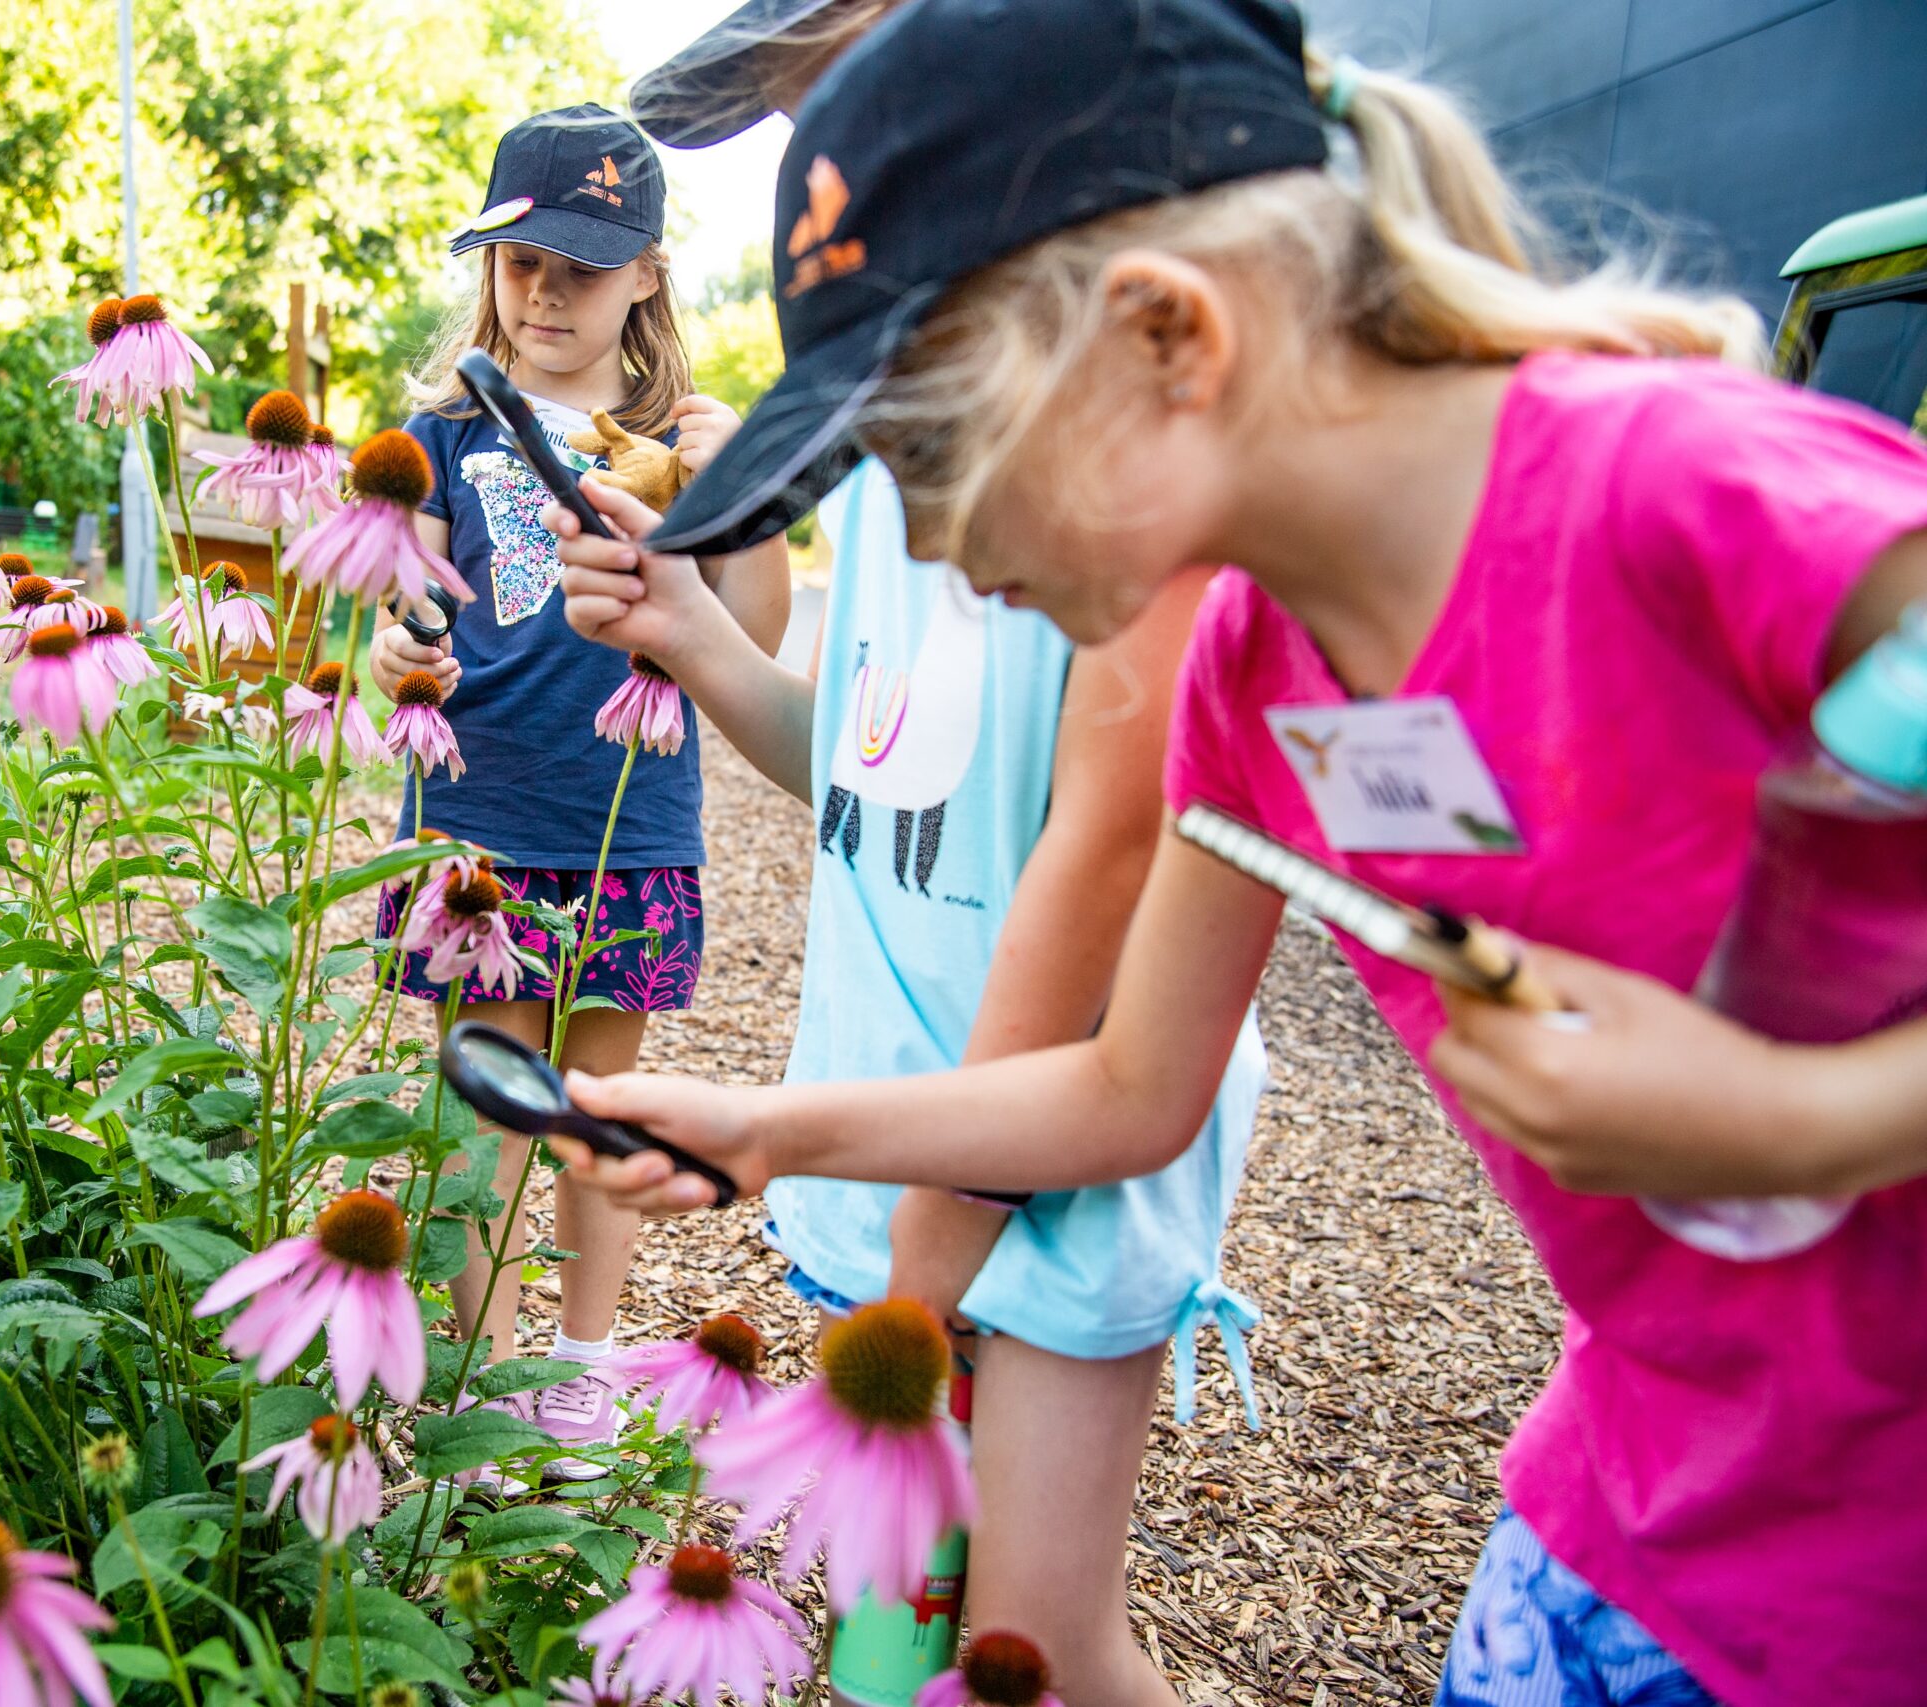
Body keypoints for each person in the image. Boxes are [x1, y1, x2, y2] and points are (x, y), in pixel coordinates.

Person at [543, 2, 1927, 1702]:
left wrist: (1793, 1117)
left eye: (932, 458)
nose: (932, 546)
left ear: (1166, 340)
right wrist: (768, 1131)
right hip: (1632, 1509)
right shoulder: (1253, 669)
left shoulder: (1691, 494)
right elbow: (1132, 1086)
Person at [547, 13, 1265, 1704]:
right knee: (892, 1619)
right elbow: (879, 786)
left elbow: (1099, 862)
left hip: (1045, 1156)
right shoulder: (887, 463)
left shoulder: (1104, 468)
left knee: (1033, 1633)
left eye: (842, 110)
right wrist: (702, 637)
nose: (823, 178)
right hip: (887, 1134)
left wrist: (929, 1267)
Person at [373, 104, 789, 1476]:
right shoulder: (442, 431)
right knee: (491, 1117)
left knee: (601, 1117)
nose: (545, 293)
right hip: (484, 819)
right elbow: (412, 605)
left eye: (581, 267)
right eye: (520, 263)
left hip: (630, 813)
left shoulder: (682, 440)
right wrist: (394, 644)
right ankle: (479, 1383)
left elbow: (759, 633)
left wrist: (747, 498)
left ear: (650, 274)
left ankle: (583, 1372)